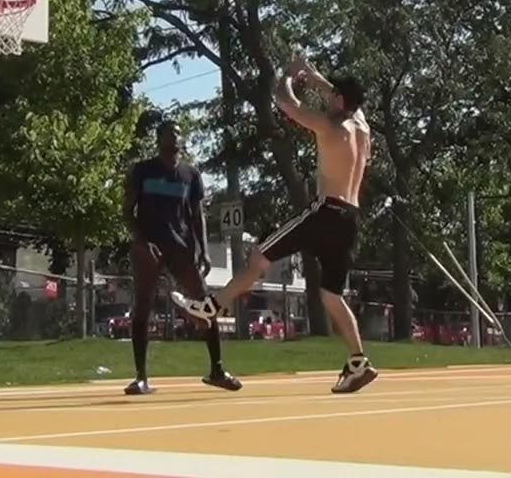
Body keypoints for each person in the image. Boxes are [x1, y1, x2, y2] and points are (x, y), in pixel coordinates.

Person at [171, 55, 377, 394]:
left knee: (260, 255)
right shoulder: (362, 128)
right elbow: (341, 97)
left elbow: (284, 102)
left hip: (325, 211)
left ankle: (211, 307)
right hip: (350, 218)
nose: (328, 98)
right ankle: (358, 362)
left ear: (340, 100)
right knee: (331, 294)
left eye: (333, 95)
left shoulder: (329, 126)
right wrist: (316, 78)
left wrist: (289, 74)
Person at [123, 120, 241, 395]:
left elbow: (197, 214)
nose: (174, 136)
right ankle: (140, 377)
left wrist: (202, 248)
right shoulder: (142, 170)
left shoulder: (191, 174)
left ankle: (217, 369)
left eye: (178, 133)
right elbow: (127, 211)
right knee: (142, 305)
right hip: (149, 246)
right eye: (168, 132)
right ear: (159, 138)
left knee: (204, 303)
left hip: (182, 247)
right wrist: (142, 241)